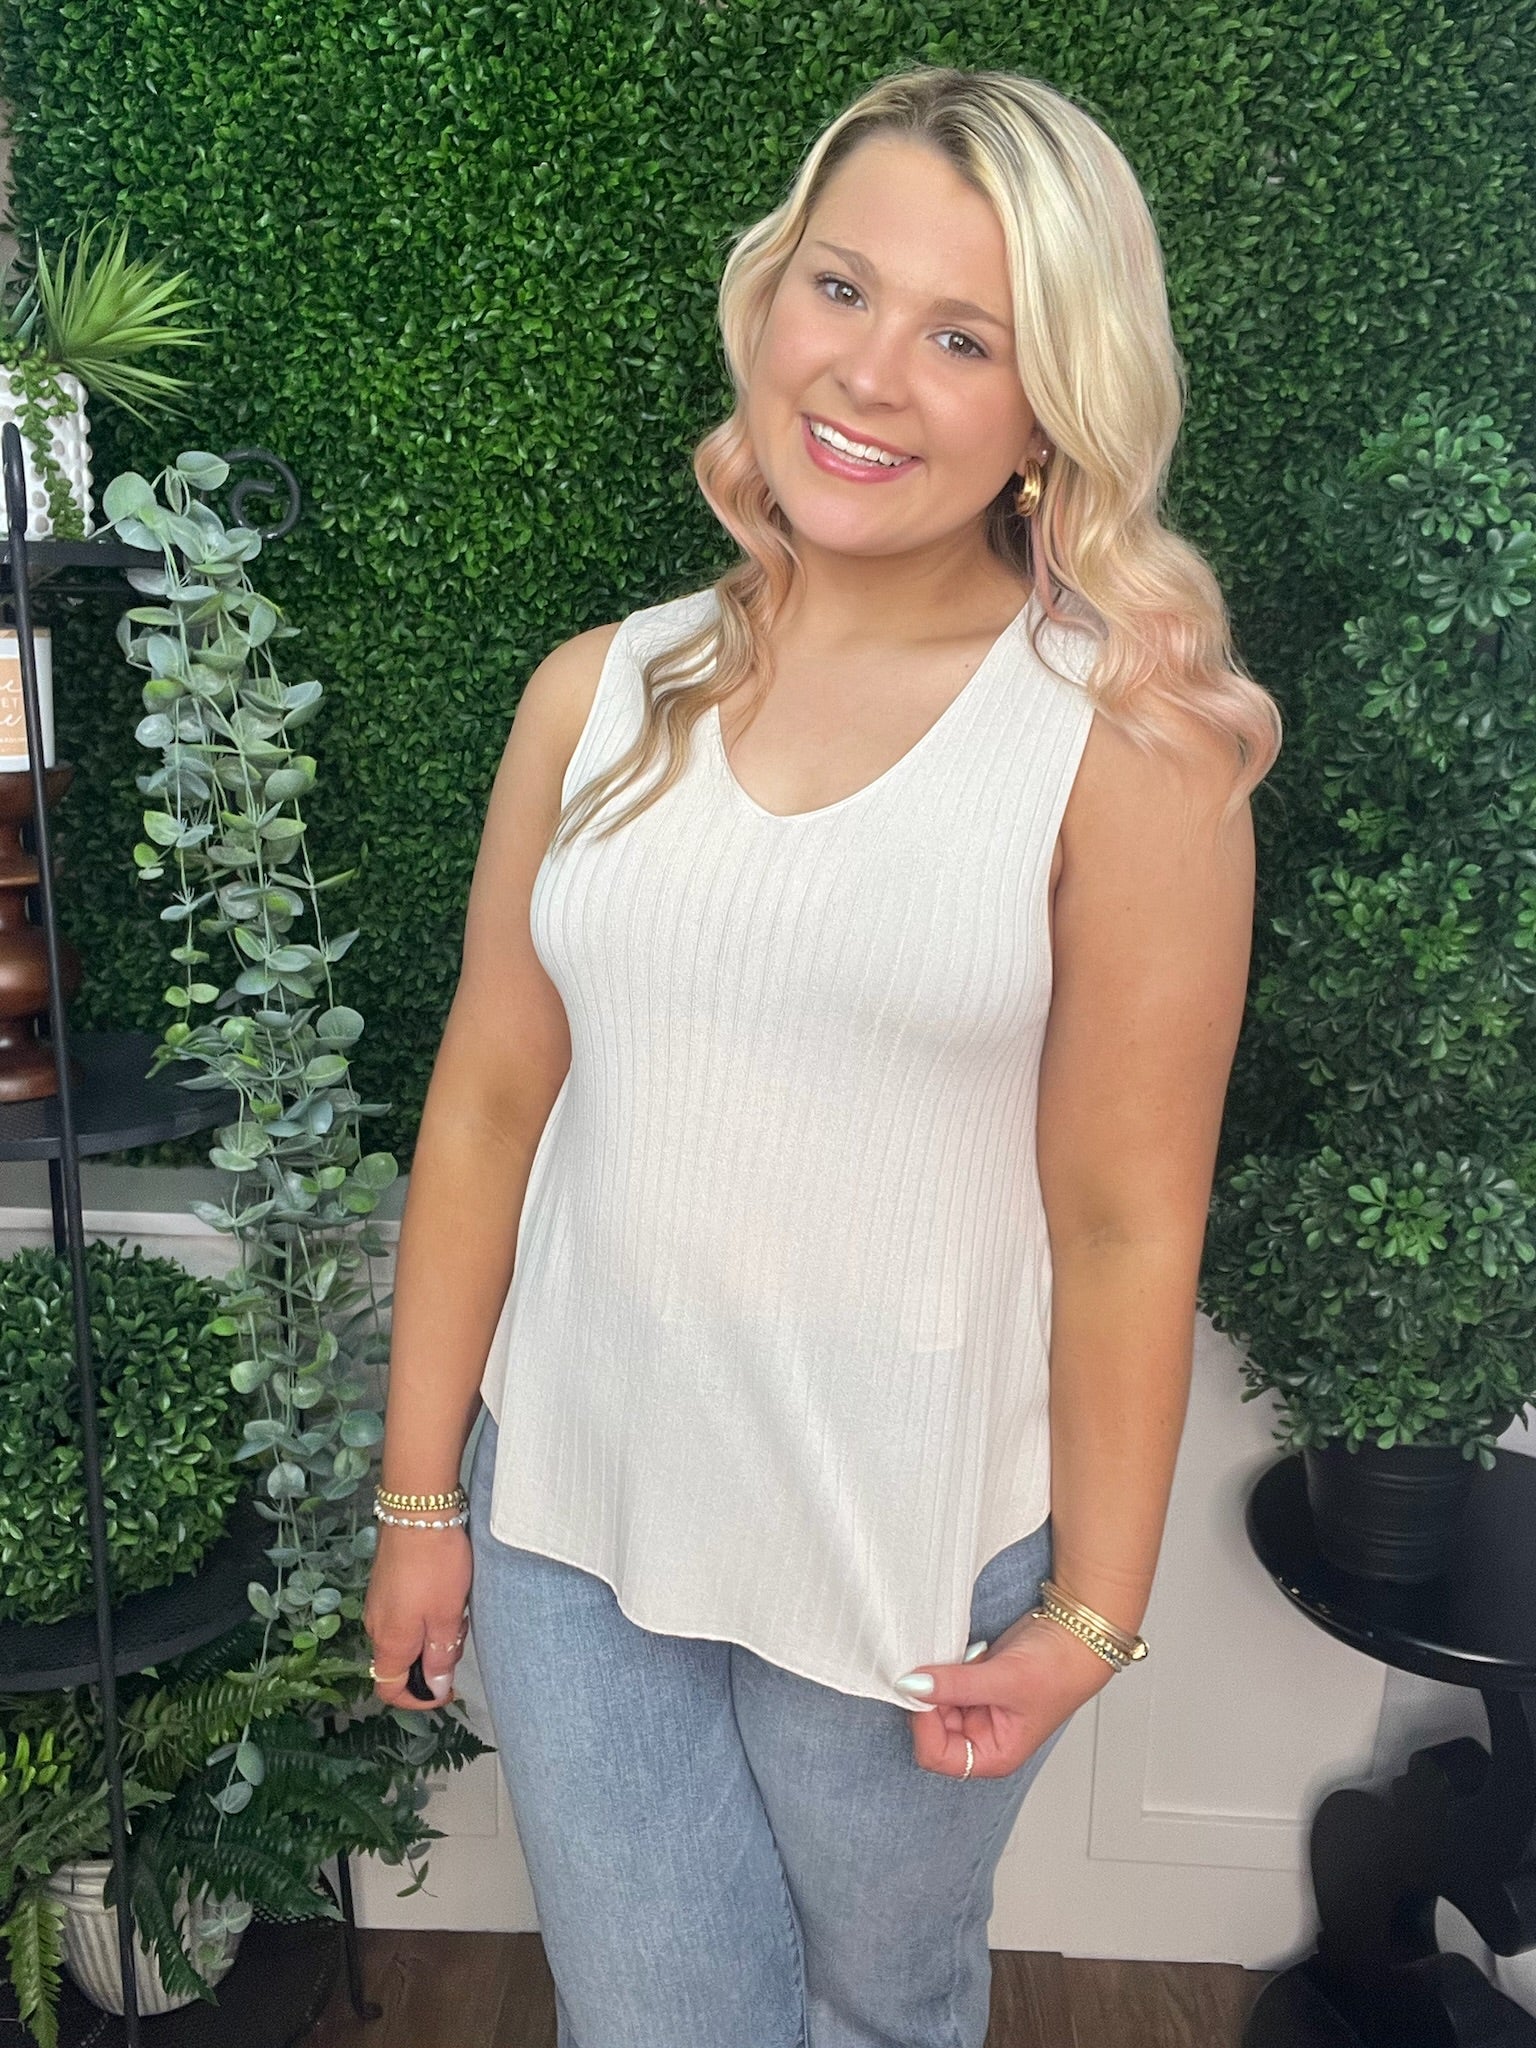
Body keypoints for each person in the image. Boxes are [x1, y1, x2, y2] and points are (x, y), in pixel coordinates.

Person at [363, 61, 1278, 2048]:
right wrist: (421, 1500)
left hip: (908, 1558)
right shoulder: (594, 695)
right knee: (657, 2022)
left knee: (883, 2010)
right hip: (572, 1517)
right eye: (842, 289)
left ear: (1052, 407)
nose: (870, 373)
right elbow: (491, 1103)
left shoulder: (1124, 745)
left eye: (967, 336)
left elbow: (1127, 1218)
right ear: (770, 300)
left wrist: (1094, 1617)